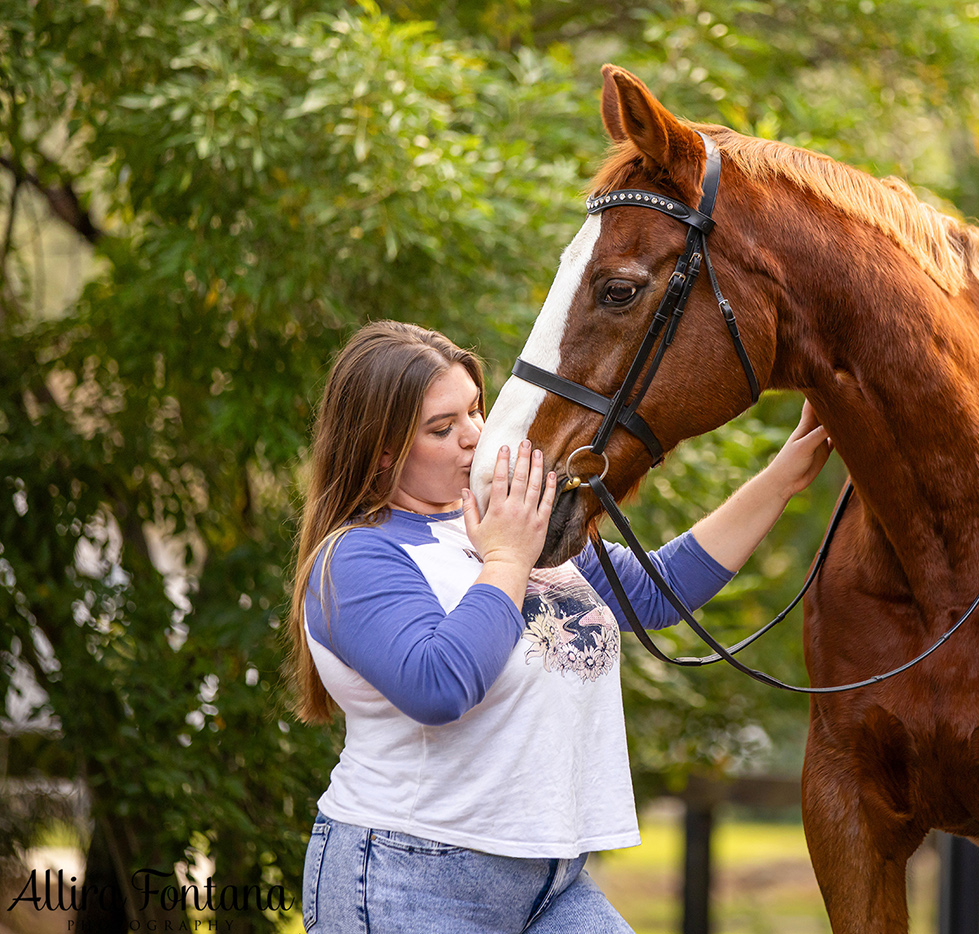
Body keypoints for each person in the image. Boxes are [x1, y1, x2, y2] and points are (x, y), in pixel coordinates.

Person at [286, 320, 832, 933]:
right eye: (444, 428)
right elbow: (437, 685)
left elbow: (657, 592)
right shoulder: (358, 557)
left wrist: (788, 472)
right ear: (381, 451)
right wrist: (508, 559)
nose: (476, 436)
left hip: (553, 878)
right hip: (410, 873)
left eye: (475, 410)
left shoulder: (507, 521)